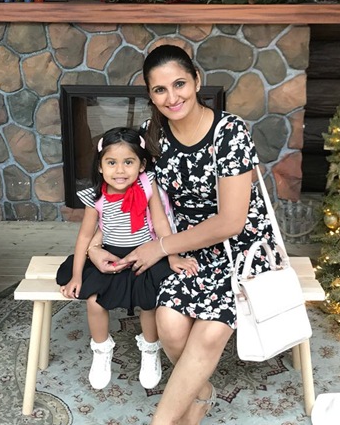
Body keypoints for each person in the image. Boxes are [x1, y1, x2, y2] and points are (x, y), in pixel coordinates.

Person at [86, 45, 277, 425]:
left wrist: (158, 247)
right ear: (150, 93)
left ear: (197, 81)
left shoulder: (229, 132)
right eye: (160, 89)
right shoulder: (150, 137)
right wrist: (93, 245)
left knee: (208, 334)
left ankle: (162, 421)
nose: (172, 97)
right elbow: (117, 194)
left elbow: (231, 222)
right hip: (186, 247)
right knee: (170, 326)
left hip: (241, 247)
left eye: (179, 84)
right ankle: (201, 393)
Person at [56, 126, 198, 391]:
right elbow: (85, 237)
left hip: (145, 255)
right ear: (100, 166)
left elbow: (161, 222)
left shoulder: (147, 186)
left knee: (149, 303)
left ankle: (150, 349)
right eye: (111, 162)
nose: (120, 170)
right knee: (94, 301)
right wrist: (76, 276)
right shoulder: (96, 197)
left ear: (141, 165)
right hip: (111, 255)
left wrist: (173, 256)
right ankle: (101, 350)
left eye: (128, 162)